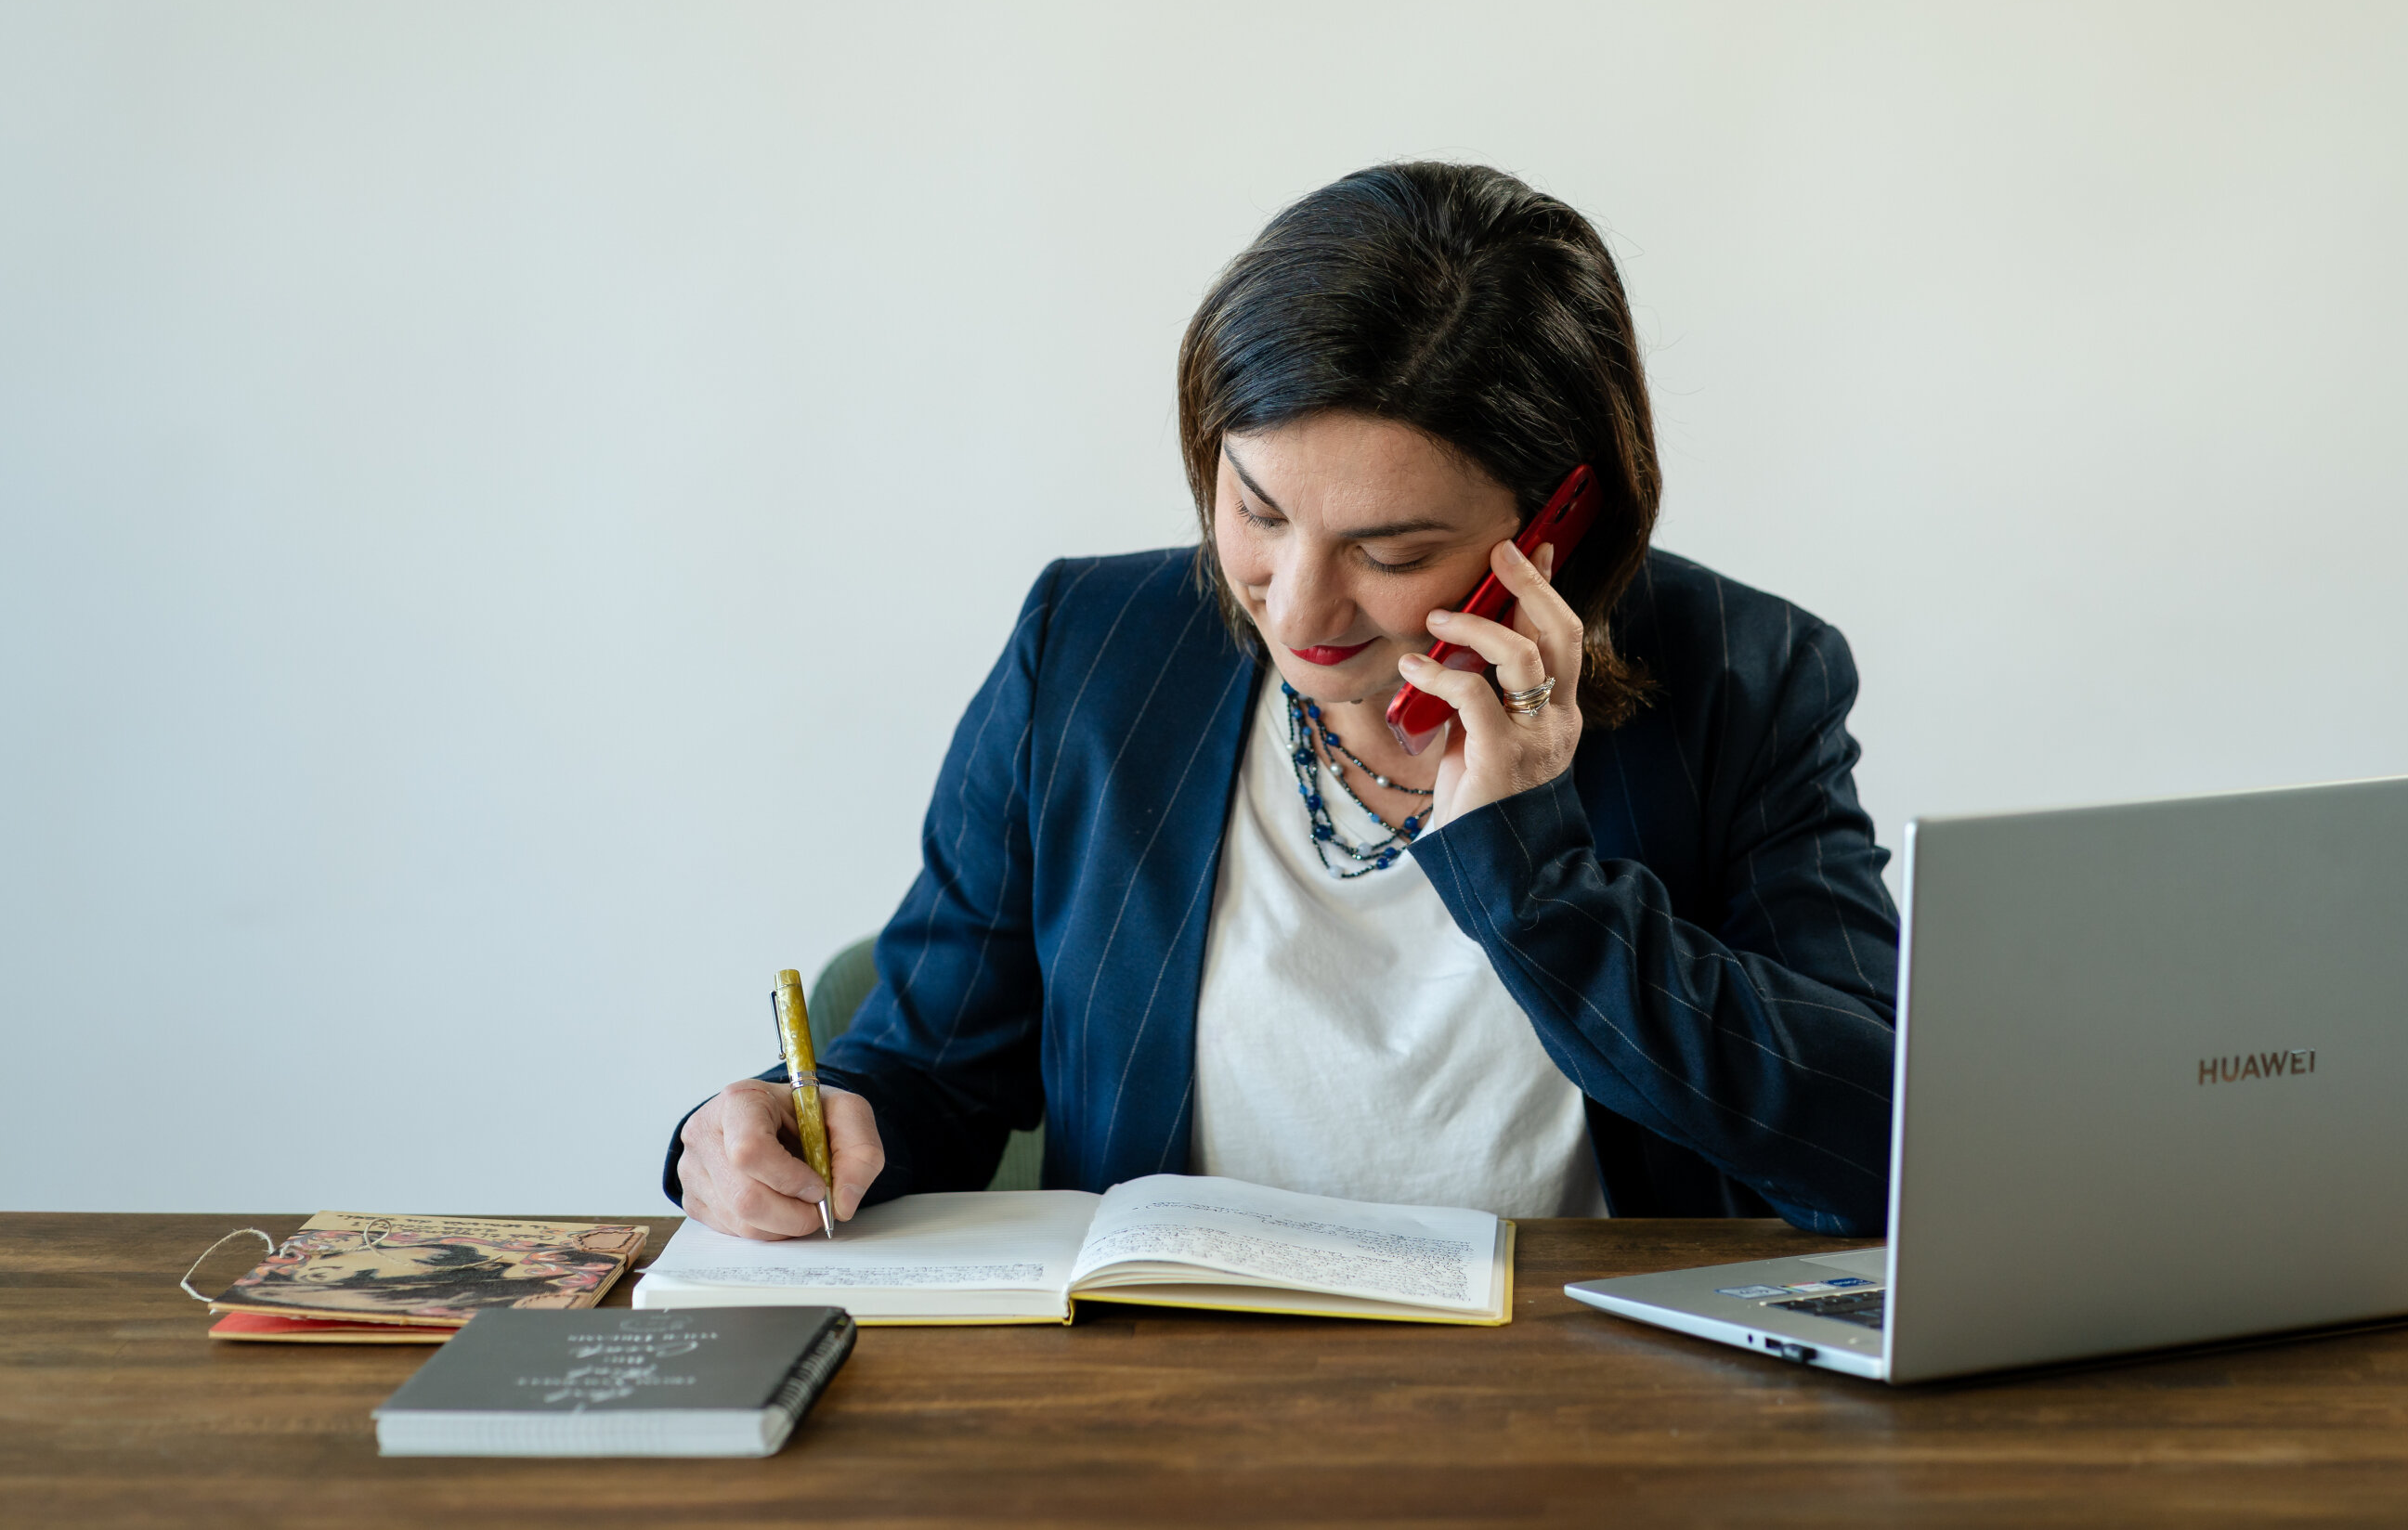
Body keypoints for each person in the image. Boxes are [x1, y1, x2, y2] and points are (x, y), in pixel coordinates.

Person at [667, 162, 1900, 1238]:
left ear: (1557, 527)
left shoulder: (1747, 679)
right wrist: (789, 1132)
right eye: (1257, 510)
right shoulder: (1090, 652)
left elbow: (1880, 1140)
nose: (1297, 609)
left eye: (1393, 549)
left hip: (1596, 1417)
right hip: (1173, 1412)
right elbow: (928, 1073)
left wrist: (1535, 880)